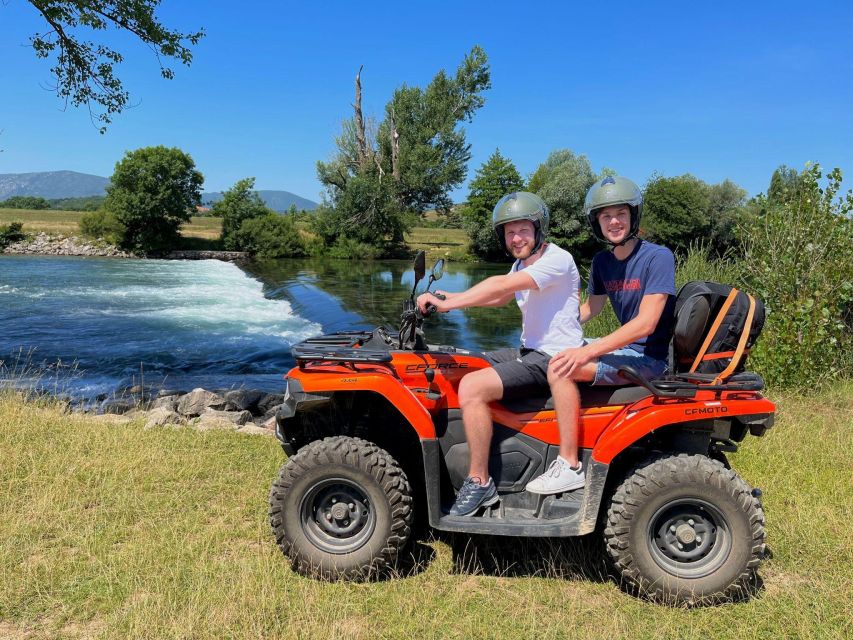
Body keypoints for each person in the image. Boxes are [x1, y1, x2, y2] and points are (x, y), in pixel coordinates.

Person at [416, 192, 584, 516]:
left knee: (472, 387)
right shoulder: (521, 263)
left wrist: (450, 304)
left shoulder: (556, 260)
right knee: (466, 362)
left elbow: (497, 286)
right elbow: (499, 298)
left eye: (523, 229)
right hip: (530, 350)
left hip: (553, 357)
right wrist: (447, 294)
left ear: (538, 230)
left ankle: (479, 482)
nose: (516, 237)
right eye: (509, 232)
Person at [524, 175, 676, 495]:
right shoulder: (602, 262)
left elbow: (646, 324)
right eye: (606, 216)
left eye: (620, 213)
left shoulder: (657, 257)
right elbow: (589, 310)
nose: (614, 221)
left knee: (562, 365)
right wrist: (546, 324)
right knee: (550, 352)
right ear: (597, 223)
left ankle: (569, 464)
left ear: (633, 216)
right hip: (627, 349)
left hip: (650, 358)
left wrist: (587, 352)